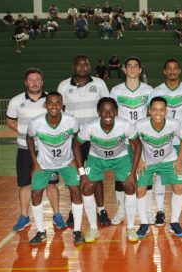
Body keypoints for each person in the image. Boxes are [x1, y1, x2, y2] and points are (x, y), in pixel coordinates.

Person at [73, 97, 141, 242]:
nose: (108, 114)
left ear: (116, 112)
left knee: (130, 187)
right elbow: (75, 145)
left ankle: (130, 228)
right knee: (86, 188)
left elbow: (138, 145)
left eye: (111, 111)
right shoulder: (90, 127)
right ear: (99, 112)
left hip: (120, 158)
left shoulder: (125, 125)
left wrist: (133, 172)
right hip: (96, 159)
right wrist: (82, 173)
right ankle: (93, 229)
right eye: (104, 111)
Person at [6, 68, 61, 232]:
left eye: (37, 79)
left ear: (42, 82)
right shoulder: (16, 101)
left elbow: (58, 118)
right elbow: (9, 121)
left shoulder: (51, 100)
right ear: (26, 82)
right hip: (24, 149)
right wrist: (24, 133)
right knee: (25, 184)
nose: (35, 82)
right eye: (31, 80)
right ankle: (24, 216)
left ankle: (57, 215)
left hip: (47, 150)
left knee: (51, 183)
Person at [57, 55, 110, 226]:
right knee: (75, 176)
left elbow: (107, 106)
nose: (82, 67)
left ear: (89, 66)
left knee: (96, 175)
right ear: (74, 66)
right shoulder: (64, 86)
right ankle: (75, 209)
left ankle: (101, 209)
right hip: (73, 138)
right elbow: (59, 110)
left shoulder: (99, 84)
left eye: (85, 64)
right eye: (79, 64)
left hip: (94, 137)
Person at [27, 92, 85, 245]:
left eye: (57, 102)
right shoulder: (36, 122)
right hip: (44, 164)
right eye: (50, 103)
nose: (54, 106)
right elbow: (29, 138)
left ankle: (77, 230)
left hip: (66, 163)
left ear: (62, 105)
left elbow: (77, 139)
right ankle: (40, 231)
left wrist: (75, 160)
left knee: (76, 191)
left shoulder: (71, 121)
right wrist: (34, 162)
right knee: (36, 194)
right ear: (45, 105)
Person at [151, 59, 182, 225]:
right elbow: (152, 115)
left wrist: (177, 125)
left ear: (179, 70)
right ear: (164, 71)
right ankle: (160, 212)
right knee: (162, 176)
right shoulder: (157, 91)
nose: (172, 71)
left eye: (175, 68)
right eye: (168, 68)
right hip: (163, 142)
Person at [135, 97, 182, 238]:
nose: (158, 113)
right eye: (155, 110)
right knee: (140, 190)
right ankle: (144, 224)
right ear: (150, 111)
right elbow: (132, 141)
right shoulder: (140, 125)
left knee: (179, 187)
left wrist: (180, 160)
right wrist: (139, 160)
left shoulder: (174, 124)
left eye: (162, 110)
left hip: (169, 160)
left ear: (166, 111)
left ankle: (175, 222)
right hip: (147, 161)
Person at [110, 57, 153, 225]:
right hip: (122, 140)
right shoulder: (116, 91)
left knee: (146, 176)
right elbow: (110, 114)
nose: (133, 68)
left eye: (136, 66)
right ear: (124, 69)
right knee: (121, 177)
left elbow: (152, 114)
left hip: (143, 140)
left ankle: (148, 210)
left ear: (141, 70)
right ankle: (121, 210)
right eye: (129, 66)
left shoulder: (149, 90)